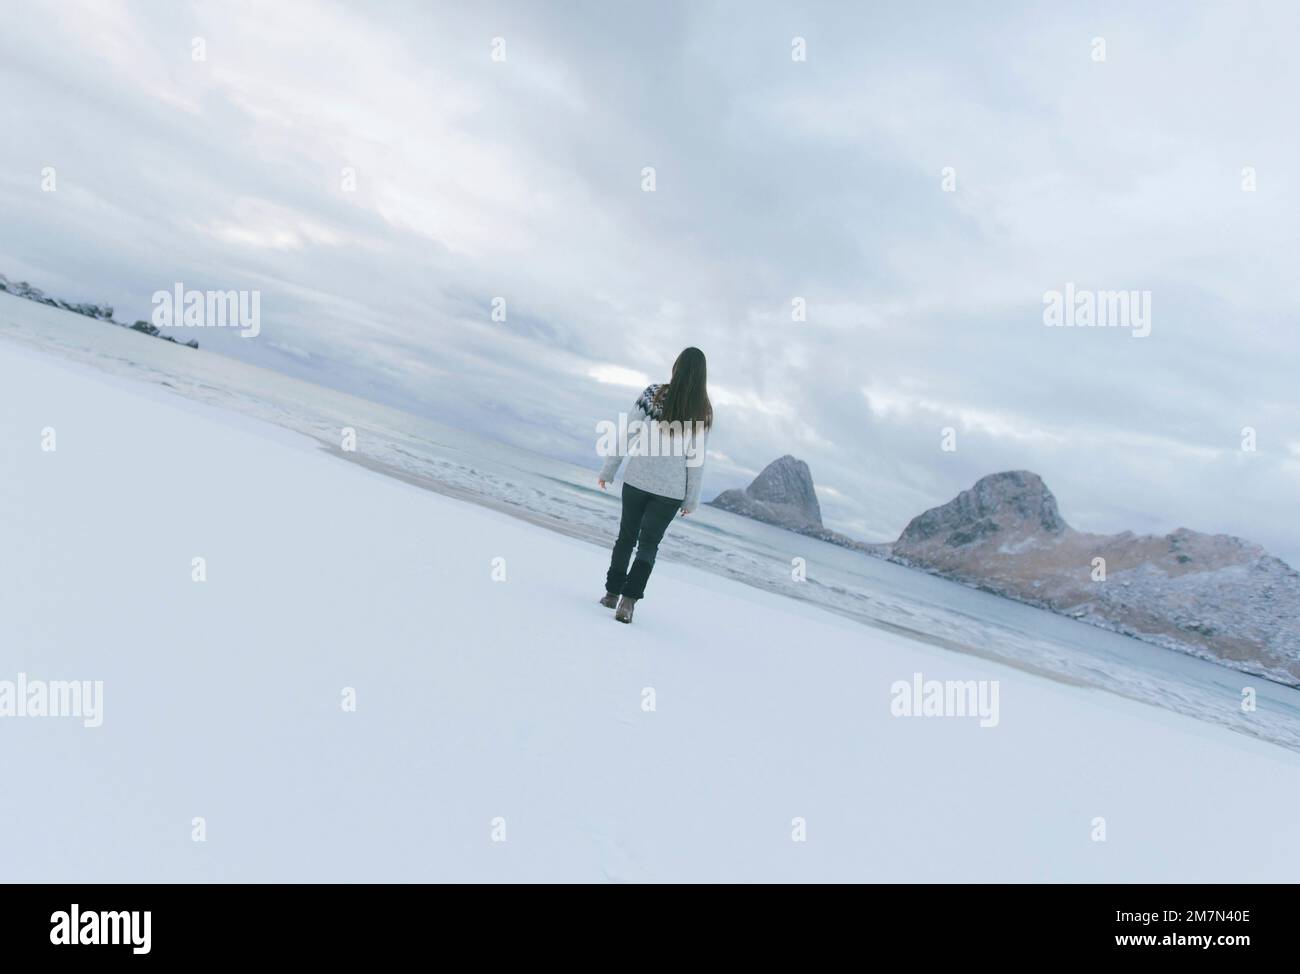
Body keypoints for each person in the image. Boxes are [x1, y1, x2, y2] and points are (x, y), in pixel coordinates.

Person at [597, 347, 713, 623]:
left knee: (626, 537)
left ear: (677, 367)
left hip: (637, 480)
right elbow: (696, 460)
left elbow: (628, 434)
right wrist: (691, 499)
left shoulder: (653, 393)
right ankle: (628, 604)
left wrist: (609, 469)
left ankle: (612, 594)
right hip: (670, 492)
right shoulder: (703, 411)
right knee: (649, 545)